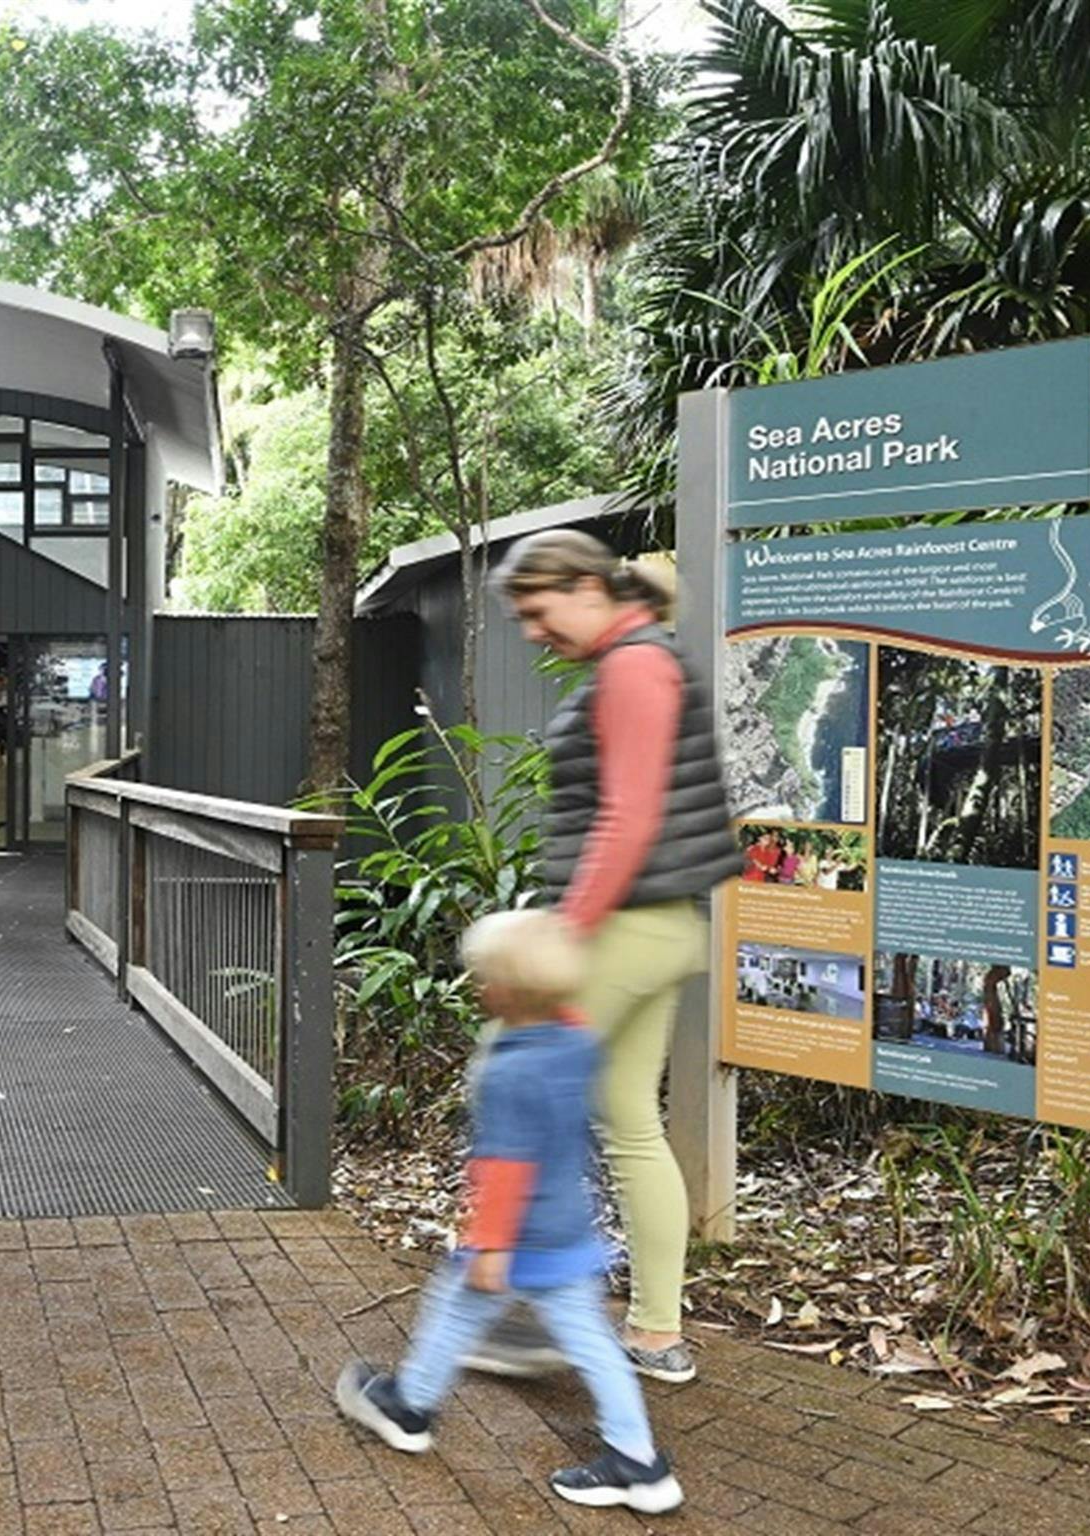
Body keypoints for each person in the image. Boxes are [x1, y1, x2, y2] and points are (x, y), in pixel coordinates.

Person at [466, 531, 742, 1386]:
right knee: (626, 1116)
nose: (532, 632)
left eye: (537, 612)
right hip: (661, 924)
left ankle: (541, 1304)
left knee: (505, 1072)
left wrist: (564, 932)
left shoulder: (633, 667)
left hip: (625, 924)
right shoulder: (640, 658)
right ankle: (655, 1335)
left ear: (587, 586)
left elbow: (625, 818)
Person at [335, 910, 684, 1514]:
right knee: (594, 1344)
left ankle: (410, 1407)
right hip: (571, 1227)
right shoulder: (578, 1042)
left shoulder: (507, 1072)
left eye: (481, 978)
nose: (475, 986)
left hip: (517, 1237)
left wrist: (492, 1245)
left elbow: (504, 1168)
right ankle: (638, 1460)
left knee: (452, 1309)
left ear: (498, 992)